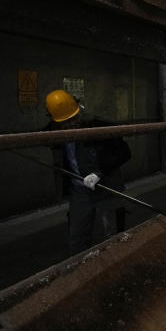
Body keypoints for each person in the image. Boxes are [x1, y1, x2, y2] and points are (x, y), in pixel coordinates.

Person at [45, 89, 131, 254]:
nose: (71, 124)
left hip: (106, 189)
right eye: (66, 122)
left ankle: (117, 263)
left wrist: (100, 172)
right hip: (79, 193)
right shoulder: (54, 130)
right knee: (77, 240)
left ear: (78, 109)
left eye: (74, 118)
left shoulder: (99, 127)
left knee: (115, 237)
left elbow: (124, 153)